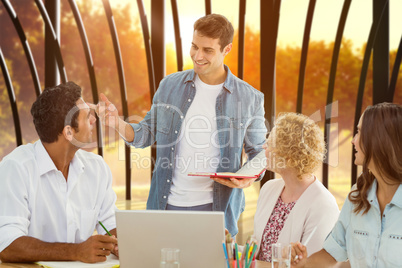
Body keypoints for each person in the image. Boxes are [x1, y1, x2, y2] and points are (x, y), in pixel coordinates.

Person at [90, 14, 267, 236]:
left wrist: (246, 179)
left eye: (208, 50)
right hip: (165, 206)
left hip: (216, 211)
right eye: (194, 47)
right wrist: (116, 122)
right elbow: (145, 134)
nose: (198, 56)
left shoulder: (250, 98)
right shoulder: (170, 86)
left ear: (227, 49)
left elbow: (259, 153)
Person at [0, 82, 118, 263]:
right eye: (87, 117)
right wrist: (76, 252)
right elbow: (7, 245)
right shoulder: (16, 168)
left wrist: (120, 242)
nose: (94, 120)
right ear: (69, 132)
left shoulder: (97, 168)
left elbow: (110, 223)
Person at [291, 102, 402, 268]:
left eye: (359, 132)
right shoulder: (359, 194)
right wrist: (303, 263)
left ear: (379, 138)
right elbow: (332, 253)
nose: (353, 141)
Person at [254, 113, 339, 262]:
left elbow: (310, 263)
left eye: (269, 144)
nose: (263, 147)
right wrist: (230, 245)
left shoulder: (323, 205)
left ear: (288, 156)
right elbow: (258, 251)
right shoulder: (268, 189)